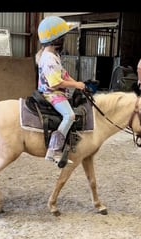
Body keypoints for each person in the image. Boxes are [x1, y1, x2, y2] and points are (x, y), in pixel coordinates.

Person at [35, 16, 86, 165]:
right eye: (62, 38)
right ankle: (54, 150)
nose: (64, 40)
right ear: (55, 40)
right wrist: (76, 85)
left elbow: (64, 74)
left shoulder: (54, 55)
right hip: (52, 93)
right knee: (69, 115)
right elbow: (55, 82)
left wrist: (77, 82)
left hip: (57, 91)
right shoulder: (49, 59)